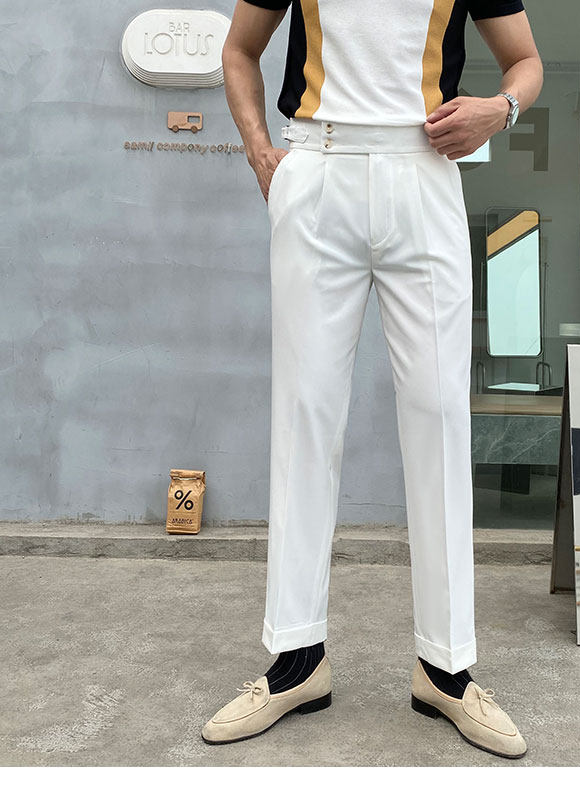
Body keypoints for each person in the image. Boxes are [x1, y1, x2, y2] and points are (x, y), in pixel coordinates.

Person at [202, 0, 543, 759]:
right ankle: (297, 659)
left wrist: (500, 109)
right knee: (305, 411)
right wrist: (260, 153)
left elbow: (526, 61)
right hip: (316, 168)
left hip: (425, 171)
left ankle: (445, 668)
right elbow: (238, 49)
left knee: (440, 412)